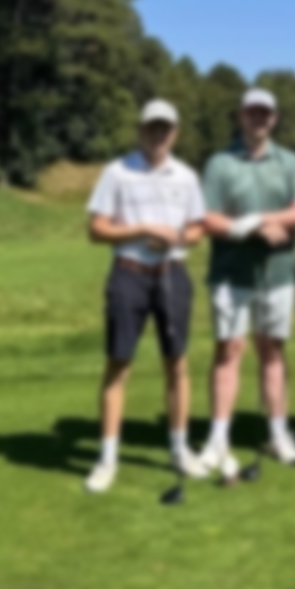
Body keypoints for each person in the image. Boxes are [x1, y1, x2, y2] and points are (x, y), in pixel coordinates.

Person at [83, 99, 208, 493]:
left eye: (165, 128)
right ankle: (107, 458)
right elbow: (96, 229)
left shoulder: (187, 176)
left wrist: (177, 238)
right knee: (118, 364)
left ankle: (179, 449)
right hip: (129, 274)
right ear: (140, 130)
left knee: (177, 364)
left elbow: (197, 229)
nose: (158, 134)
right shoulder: (117, 172)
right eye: (152, 127)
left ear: (175, 133)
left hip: (173, 274)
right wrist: (143, 230)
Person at [199, 88, 295, 474]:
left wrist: (266, 220)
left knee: (272, 351)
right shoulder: (220, 163)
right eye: (252, 112)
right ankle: (218, 438)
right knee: (229, 351)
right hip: (230, 274)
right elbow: (209, 218)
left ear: (274, 118)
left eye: (265, 113)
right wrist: (253, 228)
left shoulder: (290, 161)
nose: (259, 119)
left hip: (279, 274)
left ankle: (278, 433)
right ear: (240, 117)